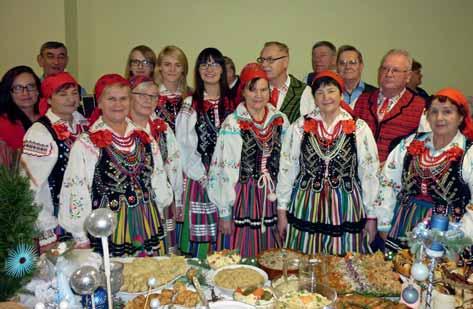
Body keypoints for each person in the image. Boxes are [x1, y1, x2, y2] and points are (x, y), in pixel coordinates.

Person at [59, 74, 173, 256]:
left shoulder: (144, 137)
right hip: (109, 224)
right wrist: (80, 235)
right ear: (100, 103)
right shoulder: (87, 143)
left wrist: (159, 209)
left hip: (147, 219)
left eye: (123, 98)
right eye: (111, 99)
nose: (118, 104)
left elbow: (157, 176)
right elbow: (77, 188)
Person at [276, 71, 380, 255]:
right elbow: (287, 170)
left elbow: (369, 173)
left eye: (331, 91)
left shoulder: (359, 128)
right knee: (304, 261)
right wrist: (282, 212)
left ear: (341, 94)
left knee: (343, 265)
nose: (326, 97)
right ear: (314, 97)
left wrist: (371, 216)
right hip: (306, 203)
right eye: (320, 93)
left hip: (345, 205)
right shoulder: (299, 127)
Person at [373, 88, 473, 249]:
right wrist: (384, 223)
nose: (439, 118)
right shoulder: (411, 143)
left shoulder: (469, 153)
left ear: (460, 117)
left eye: (447, 112)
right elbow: (388, 182)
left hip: (448, 231)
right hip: (402, 225)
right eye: (433, 112)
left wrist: (459, 237)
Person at [208, 63, 289, 257]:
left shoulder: (280, 120)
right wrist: (224, 212)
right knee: (240, 253)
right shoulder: (233, 123)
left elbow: (288, 163)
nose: (258, 95)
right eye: (252, 90)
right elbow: (224, 170)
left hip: (272, 195)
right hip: (243, 196)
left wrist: (284, 205)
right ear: (243, 91)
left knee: (272, 255)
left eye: (263, 90)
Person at [176, 47, 234, 258]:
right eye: (204, 64)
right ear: (198, 70)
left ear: (223, 69)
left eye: (215, 64)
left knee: (228, 232)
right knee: (203, 240)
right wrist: (202, 176)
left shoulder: (234, 103)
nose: (209, 69)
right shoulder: (190, 105)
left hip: (230, 176)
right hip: (200, 175)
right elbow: (184, 146)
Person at [21, 72, 88, 251]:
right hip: (58, 217)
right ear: (49, 99)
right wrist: (46, 230)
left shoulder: (84, 124)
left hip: (84, 211)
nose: (70, 99)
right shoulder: (40, 132)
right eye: (62, 94)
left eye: (74, 93)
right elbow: (32, 185)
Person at [128, 75, 182, 254]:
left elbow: (173, 164)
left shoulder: (163, 128)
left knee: (164, 251)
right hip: (135, 206)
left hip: (162, 201)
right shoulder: (122, 131)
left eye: (153, 96)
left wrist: (176, 197)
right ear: (130, 96)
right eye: (142, 94)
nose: (147, 100)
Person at [353, 49, 427, 164]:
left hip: (396, 176)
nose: (388, 74)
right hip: (361, 173)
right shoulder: (363, 100)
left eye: (395, 70)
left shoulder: (420, 107)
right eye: (385, 69)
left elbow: (422, 148)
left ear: (408, 76)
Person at [258, 41, 315, 123]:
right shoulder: (256, 91)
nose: (264, 64)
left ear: (285, 62)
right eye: (262, 60)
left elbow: (309, 127)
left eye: (270, 60)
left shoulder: (304, 91)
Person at [0, 66, 41, 151]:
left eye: (30, 86)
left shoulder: (49, 117)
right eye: (18, 88)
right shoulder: (3, 124)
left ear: (38, 90)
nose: (25, 93)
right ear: (9, 92)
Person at [155, 45, 191, 132]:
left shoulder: (191, 95)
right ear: (160, 67)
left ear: (183, 69)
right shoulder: (152, 95)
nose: (172, 69)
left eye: (178, 65)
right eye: (167, 64)